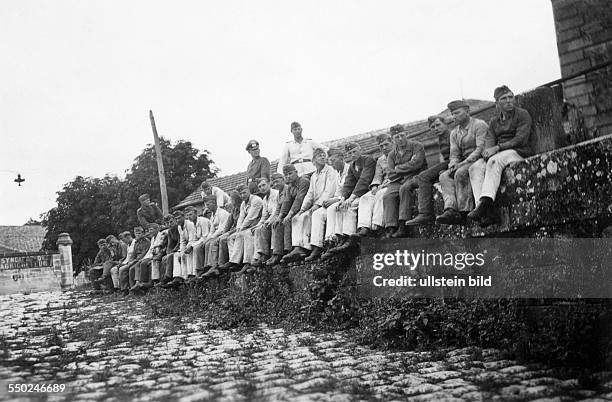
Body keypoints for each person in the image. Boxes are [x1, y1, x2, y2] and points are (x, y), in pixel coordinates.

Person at [468, 85, 533, 226]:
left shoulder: (522, 114)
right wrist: (487, 151)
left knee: (494, 161)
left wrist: (497, 148)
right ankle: (486, 213)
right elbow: (490, 140)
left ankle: (485, 204)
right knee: (475, 168)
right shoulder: (494, 121)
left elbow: (520, 139)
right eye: (504, 98)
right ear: (497, 103)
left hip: (519, 151)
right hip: (501, 152)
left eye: (511, 97)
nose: (509, 101)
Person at [435, 101, 489, 225]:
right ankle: (451, 209)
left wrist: (462, 163)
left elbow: (480, 148)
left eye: (457, 113)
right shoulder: (454, 133)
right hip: (463, 162)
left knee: (461, 172)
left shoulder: (479, 125)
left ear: (467, 111)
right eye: (452, 114)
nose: (454, 116)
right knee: (444, 176)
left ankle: (465, 212)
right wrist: (452, 164)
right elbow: (454, 153)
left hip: (479, 159)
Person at [282, 148, 339, 263]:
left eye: (324, 155)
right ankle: (299, 247)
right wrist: (302, 209)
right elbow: (310, 194)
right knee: (299, 217)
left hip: (329, 201)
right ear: (313, 161)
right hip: (318, 204)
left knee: (316, 215)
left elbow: (329, 190)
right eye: (319, 156)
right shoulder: (314, 176)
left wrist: (317, 205)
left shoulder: (330, 171)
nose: (323, 157)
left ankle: (316, 247)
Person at [321, 142, 376, 258]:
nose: (353, 154)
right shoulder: (352, 166)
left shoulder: (368, 160)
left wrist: (351, 197)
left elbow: (364, 180)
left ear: (360, 149)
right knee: (346, 207)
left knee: (362, 200)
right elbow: (348, 184)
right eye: (350, 153)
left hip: (370, 189)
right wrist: (343, 199)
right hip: (359, 193)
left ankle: (364, 228)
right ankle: (347, 236)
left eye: (354, 151)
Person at [405, 115, 452, 226]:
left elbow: (454, 154)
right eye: (432, 127)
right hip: (447, 163)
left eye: (438, 125)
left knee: (423, 177)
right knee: (420, 177)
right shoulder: (441, 138)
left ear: (445, 124)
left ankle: (425, 213)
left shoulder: (451, 135)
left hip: (455, 162)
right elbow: (442, 157)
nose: (435, 128)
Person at [382, 125, 427, 237]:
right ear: (393, 139)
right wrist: (407, 167)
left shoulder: (417, 146)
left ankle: (403, 224)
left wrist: (398, 168)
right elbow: (391, 174)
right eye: (397, 137)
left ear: (406, 134)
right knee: (388, 195)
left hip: (416, 176)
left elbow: (417, 164)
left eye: (402, 135)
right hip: (398, 180)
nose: (400, 139)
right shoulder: (392, 154)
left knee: (404, 189)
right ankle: (391, 227)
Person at [266, 166, 310, 266]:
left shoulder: (304, 181)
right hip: (295, 209)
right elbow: (286, 202)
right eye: (286, 175)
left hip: (305, 206)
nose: (288, 176)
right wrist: (280, 216)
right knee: (279, 223)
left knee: (290, 220)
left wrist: (289, 214)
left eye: (290, 174)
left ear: (296, 172)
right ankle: (278, 253)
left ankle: (291, 250)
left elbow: (300, 198)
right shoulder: (290, 186)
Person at [219, 184, 264, 274]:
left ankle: (248, 262)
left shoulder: (256, 200)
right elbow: (241, 217)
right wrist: (239, 228)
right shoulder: (243, 203)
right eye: (241, 194)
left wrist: (241, 229)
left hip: (257, 222)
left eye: (244, 192)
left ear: (248, 191)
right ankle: (235, 261)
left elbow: (251, 217)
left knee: (245, 234)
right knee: (231, 237)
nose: (243, 195)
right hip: (247, 225)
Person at [355, 134, 393, 236]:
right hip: (382, 184)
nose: (384, 148)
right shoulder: (380, 160)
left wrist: (385, 184)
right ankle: (364, 227)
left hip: (394, 183)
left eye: (386, 144)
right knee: (365, 197)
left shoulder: (397, 155)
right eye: (381, 146)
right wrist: (375, 185)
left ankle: (377, 226)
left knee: (381, 194)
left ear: (392, 143)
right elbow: (378, 175)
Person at [197, 196, 230, 278]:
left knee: (212, 243)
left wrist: (212, 237)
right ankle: (207, 267)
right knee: (206, 244)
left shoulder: (222, 213)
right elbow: (211, 230)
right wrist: (207, 239)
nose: (207, 207)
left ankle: (214, 266)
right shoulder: (212, 215)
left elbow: (222, 228)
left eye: (208, 204)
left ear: (214, 203)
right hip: (216, 234)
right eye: (206, 205)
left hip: (224, 233)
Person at [251, 177, 280, 267]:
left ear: (269, 184)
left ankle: (267, 254)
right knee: (257, 229)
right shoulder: (264, 199)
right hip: (269, 218)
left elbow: (276, 211)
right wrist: (259, 224)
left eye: (264, 185)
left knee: (264, 228)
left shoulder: (276, 194)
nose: (262, 188)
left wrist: (266, 222)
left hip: (277, 216)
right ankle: (259, 255)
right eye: (260, 187)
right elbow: (264, 215)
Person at [130, 223, 162, 292]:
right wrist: (133, 260)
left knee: (142, 263)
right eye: (149, 230)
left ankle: (142, 283)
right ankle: (133, 286)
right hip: (149, 255)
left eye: (151, 230)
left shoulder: (148, 240)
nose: (150, 232)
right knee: (135, 266)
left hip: (156, 254)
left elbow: (146, 251)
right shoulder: (152, 238)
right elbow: (134, 253)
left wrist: (142, 259)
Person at [118, 226, 150, 295]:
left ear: (143, 233)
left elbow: (144, 253)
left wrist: (134, 260)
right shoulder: (136, 243)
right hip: (135, 260)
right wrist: (131, 260)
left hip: (143, 259)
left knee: (131, 269)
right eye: (136, 233)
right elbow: (133, 254)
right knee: (123, 269)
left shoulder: (146, 241)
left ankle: (135, 287)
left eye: (139, 233)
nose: (138, 235)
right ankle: (125, 289)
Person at [158, 213, 181, 287]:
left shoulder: (179, 228)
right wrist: (168, 251)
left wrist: (174, 250)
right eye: (167, 223)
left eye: (171, 222)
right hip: (175, 249)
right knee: (165, 258)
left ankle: (168, 277)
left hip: (181, 246)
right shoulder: (170, 231)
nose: (170, 224)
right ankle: (165, 278)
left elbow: (180, 241)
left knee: (171, 256)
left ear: (175, 220)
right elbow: (169, 244)